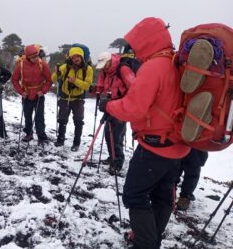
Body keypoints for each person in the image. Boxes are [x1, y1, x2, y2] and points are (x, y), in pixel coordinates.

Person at [99, 17, 191, 248]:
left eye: (137, 42)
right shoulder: (174, 62)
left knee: (134, 195)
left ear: (146, 40)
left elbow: (133, 107)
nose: (135, 47)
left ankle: (146, 242)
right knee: (162, 195)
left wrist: (108, 105)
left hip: (155, 147)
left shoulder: (153, 67)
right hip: (178, 145)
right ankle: (151, 237)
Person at [95, 51, 135, 174]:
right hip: (110, 106)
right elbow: (105, 87)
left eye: (104, 65)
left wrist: (124, 104)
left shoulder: (122, 69)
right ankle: (112, 156)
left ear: (109, 61)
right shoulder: (106, 72)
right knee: (109, 134)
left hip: (121, 107)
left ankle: (117, 162)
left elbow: (134, 88)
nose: (103, 68)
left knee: (116, 135)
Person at [52, 47, 93, 151]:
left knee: (78, 121)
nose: (76, 59)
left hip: (78, 99)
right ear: (70, 58)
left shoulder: (88, 69)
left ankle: (76, 143)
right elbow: (53, 79)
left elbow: (87, 86)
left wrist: (75, 81)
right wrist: (56, 74)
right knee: (62, 120)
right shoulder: (65, 67)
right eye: (74, 57)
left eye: (78, 56)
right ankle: (60, 140)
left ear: (82, 57)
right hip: (65, 98)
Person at [11, 44, 52, 143]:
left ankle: (41, 136)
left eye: (36, 56)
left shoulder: (42, 64)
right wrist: (21, 92)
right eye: (33, 57)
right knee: (27, 116)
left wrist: (43, 91)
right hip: (27, 95)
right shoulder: (21, 65)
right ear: (28, 57)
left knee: (39, 117)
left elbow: (49, 80)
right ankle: (28, 134)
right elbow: (14, 80)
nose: (35, 58)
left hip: (39, 95)